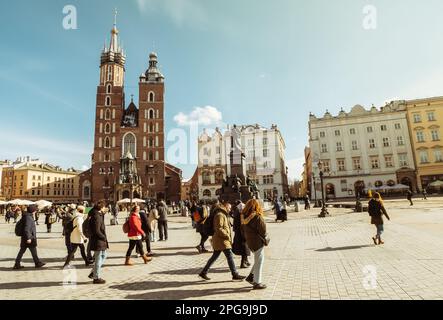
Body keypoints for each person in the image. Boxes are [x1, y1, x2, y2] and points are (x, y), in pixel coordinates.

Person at [199, 200, 246, 281]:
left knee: (214, 257)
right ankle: (235, 274)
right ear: (226, 206)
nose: (230, 209)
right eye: (229, 208)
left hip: (221, 239)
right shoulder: (220, 215)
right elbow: (218, 228)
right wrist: (227, 235)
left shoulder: (223, 214)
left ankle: (204, 272)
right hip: (221, 239)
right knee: (229, 256)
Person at [241, 199, 268, 290]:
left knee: (258, 259)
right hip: (257, 242)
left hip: (250, 241)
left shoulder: (244, 216)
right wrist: (265, 238)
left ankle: (251, 276)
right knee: (260, 261)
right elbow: (263, 231)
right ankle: (257, 282)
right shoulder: (257, 217)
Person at [13, 204, 46, 269]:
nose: (35, 211)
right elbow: (26, 228)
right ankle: (37, 263)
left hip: (26, 237)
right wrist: (28, 238)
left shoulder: (27, 216)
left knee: (23, 251)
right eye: (35, 210)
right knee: (32, 250)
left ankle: (17, 263)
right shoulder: (28, 217)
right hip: (29, 238)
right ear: (32, 211)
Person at [88, 201, 109, 284]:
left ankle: (94, 272)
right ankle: (96, 277)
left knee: (104, 255)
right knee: (98, 258)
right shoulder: (96, 216)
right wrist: (103, 237)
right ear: (101, 207)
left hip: (100, 240)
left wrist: (103, 214)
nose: (105, 208)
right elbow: (96, 230)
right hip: (98, 240)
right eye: (104, 207)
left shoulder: (98, 214)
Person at [232, 200, 251, 268]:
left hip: (239, 231)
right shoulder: (241, 213)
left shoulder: (237, 211)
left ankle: (246, 261)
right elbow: (243, 223)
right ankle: (243, 263)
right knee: (244, 247)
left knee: (244, 247)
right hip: (242, 232)